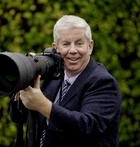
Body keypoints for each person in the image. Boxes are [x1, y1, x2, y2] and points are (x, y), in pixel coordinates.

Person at [10, 15, 122, 147]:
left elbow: (87, 126)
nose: (73, 50)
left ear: (90, 46)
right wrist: (24, 81)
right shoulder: (53, 75)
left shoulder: (103, 82)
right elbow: (18, 117)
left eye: (79, 43)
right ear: (55, 47)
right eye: (66, 44)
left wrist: (43, 105)